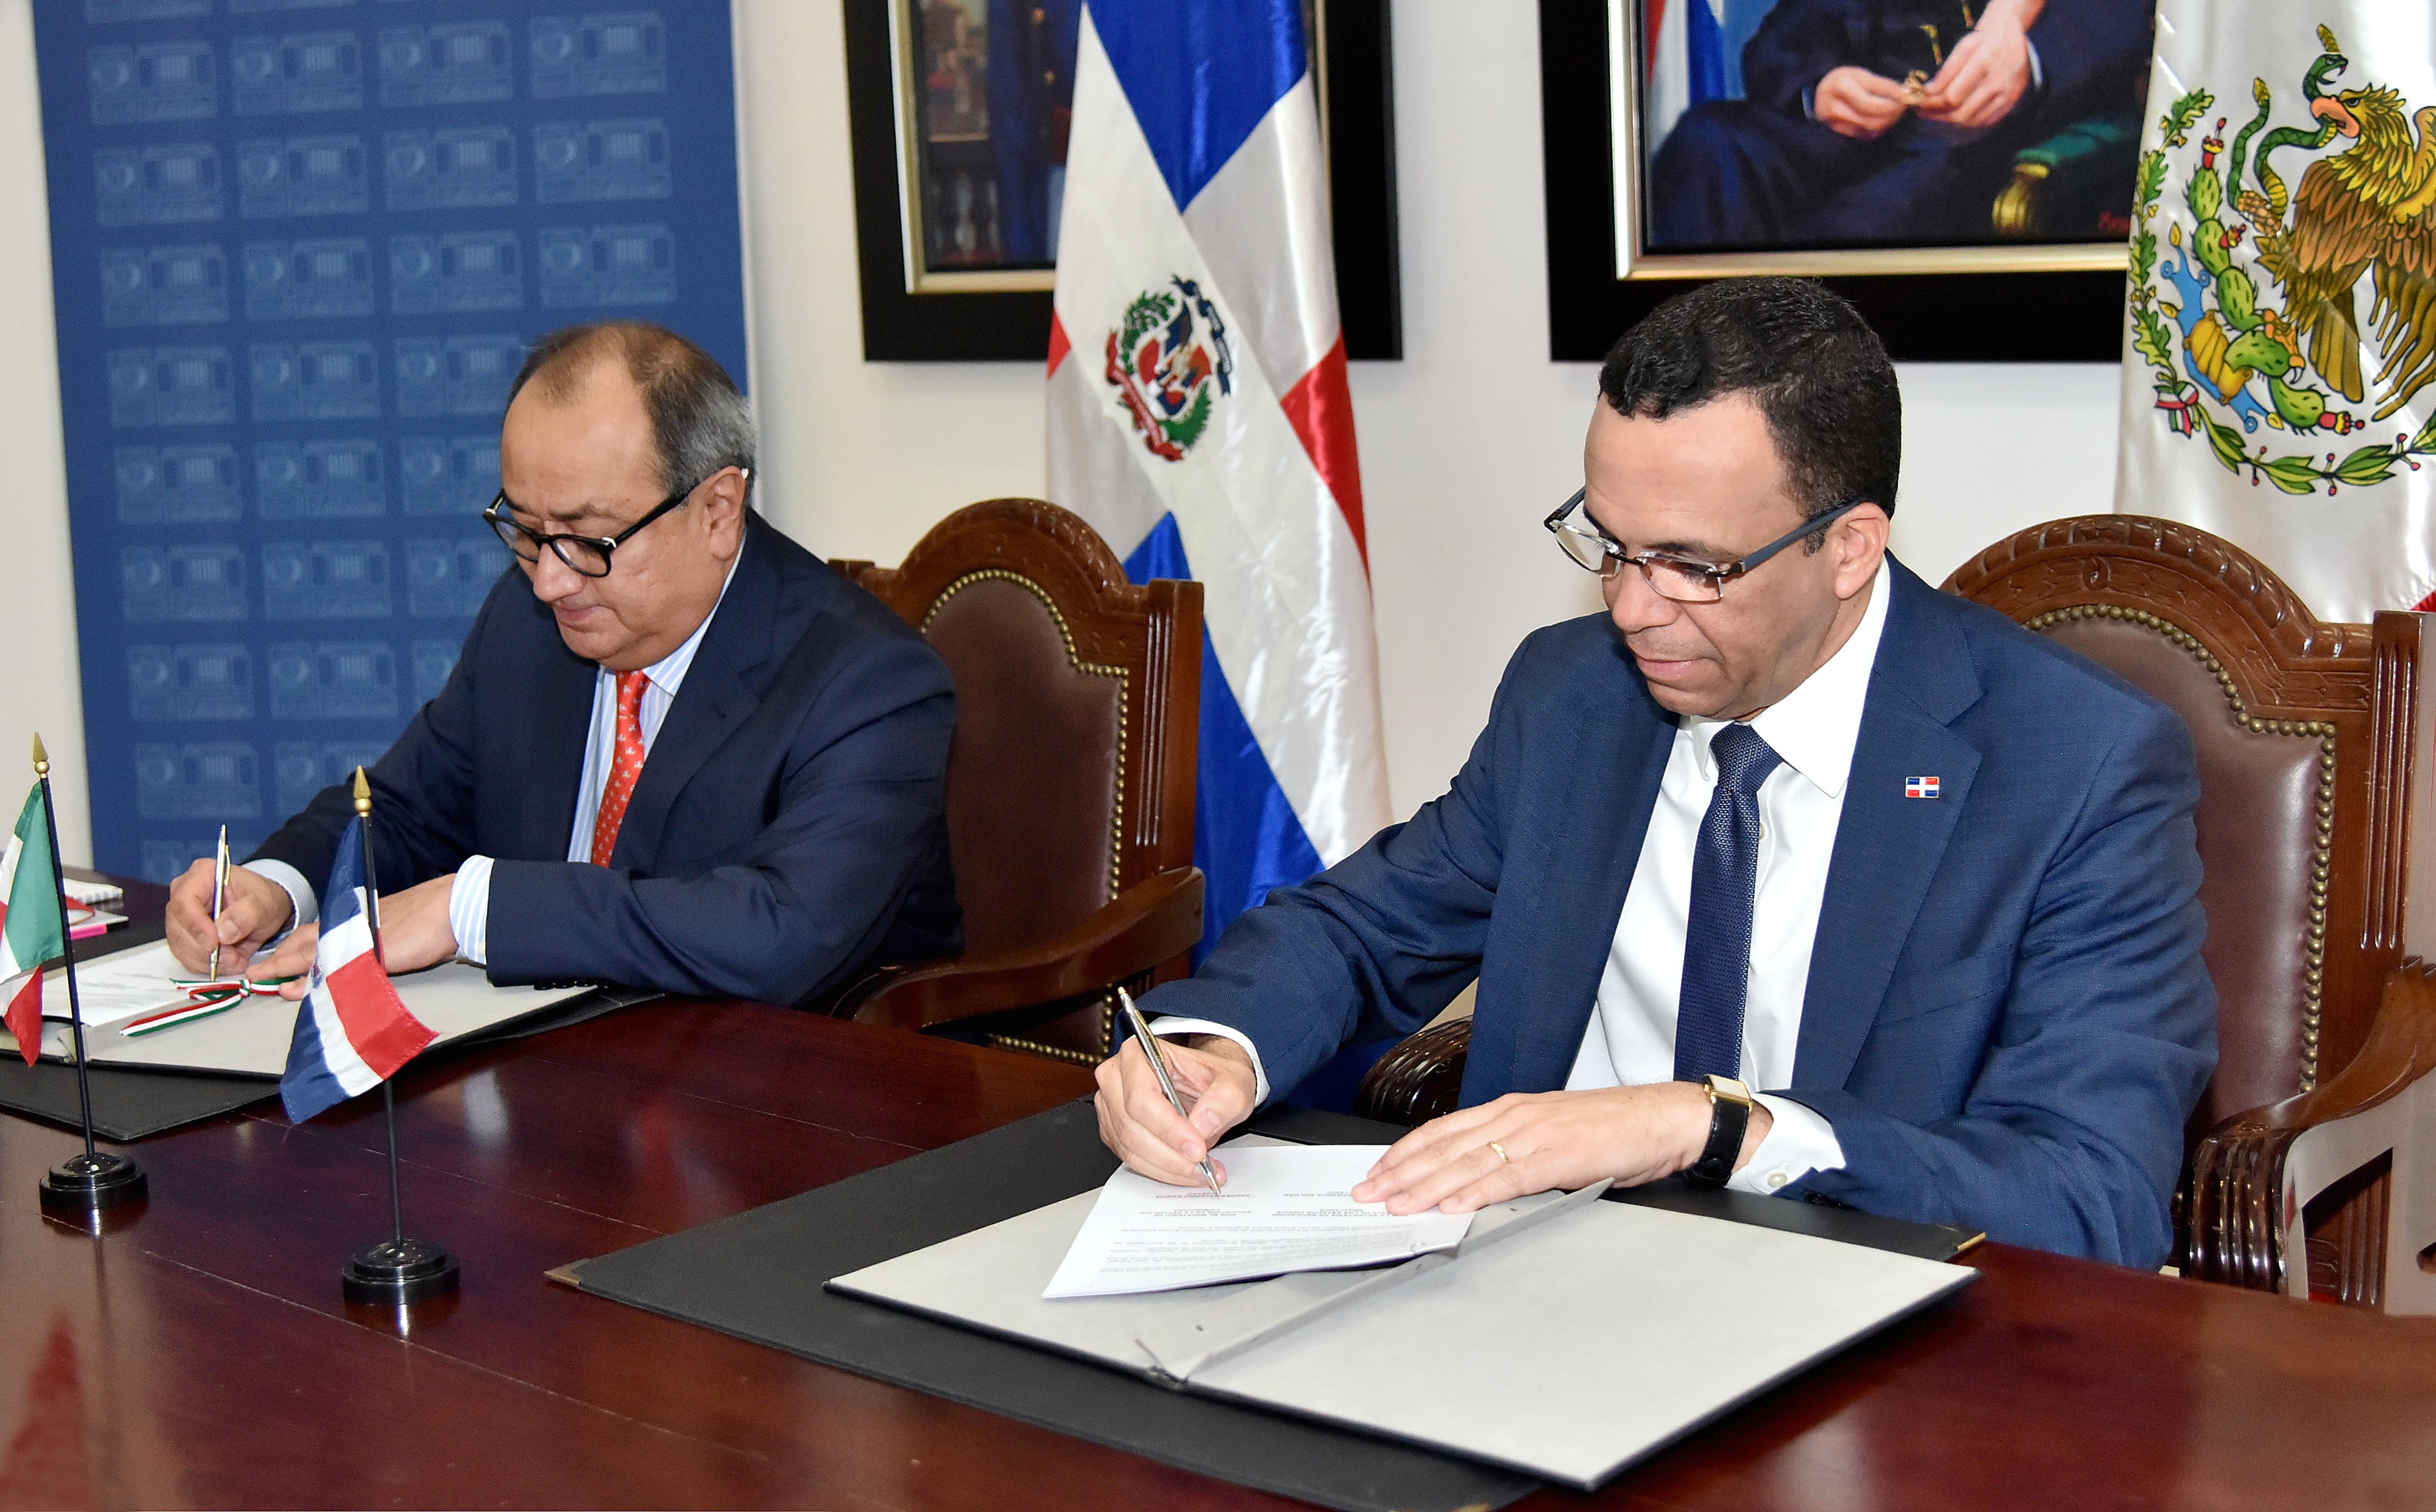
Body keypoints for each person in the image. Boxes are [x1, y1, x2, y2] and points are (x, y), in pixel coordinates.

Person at [1095, 278, 2216, 1269]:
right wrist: (1210, 1048)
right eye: (1609, 543)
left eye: (1691, 564)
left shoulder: (2074, 762)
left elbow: (2091, 1196)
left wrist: (1708, 1125)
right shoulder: (1572, 694)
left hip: (1860, 1324)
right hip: (1535, 1284)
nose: (1631, 608)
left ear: (1848, 546)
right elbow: (1361, 925)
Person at [162, 321, 961, 1007]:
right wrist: (277, 885)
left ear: (717, 510)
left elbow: (784, 930)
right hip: (549, 1079)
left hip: (785, 1108)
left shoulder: (866, 682)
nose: (549, 579)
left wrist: (474, 909)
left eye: (588, 538)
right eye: (526, 528)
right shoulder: (529, 624)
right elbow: (405, 810)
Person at [1646, 0, 2153, 248]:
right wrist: (1820, 86)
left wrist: (2033, 59)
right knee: (1707, 143)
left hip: (1997, 140)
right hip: (1855, 137)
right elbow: (1786, 39)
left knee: (1862, 227)